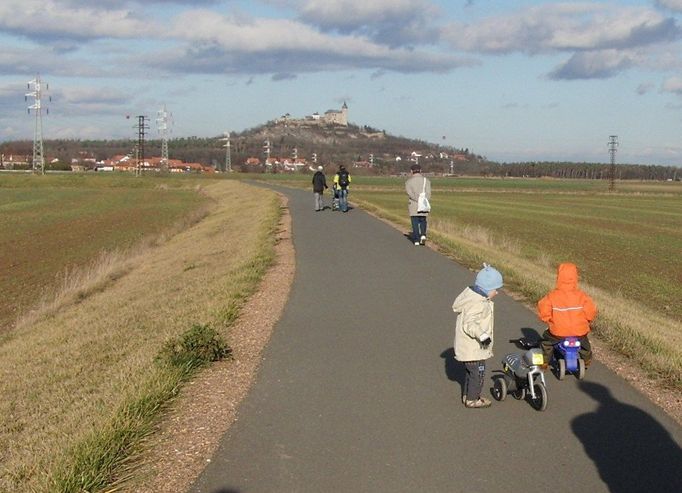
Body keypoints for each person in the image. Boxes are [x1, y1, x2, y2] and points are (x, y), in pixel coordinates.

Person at [452, 263, 503, 408]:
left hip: (469, 348)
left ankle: (468, 395)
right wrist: (482, 336)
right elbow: (469, 323)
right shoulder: (478, 303)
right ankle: (473, 399)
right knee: (478, 374)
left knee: (471, 372)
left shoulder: (472, 297)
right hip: (474, 348)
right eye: (495, 289)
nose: (497, 293)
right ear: (486, 289)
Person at [537, 262, 597, 368]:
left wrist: (547, 319)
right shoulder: (582, 296)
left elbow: (543, 309)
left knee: (546, 342)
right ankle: (586, 359)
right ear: (575, 278)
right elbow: (591, 310)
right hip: (579, 331)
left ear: (559, 278)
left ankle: (544, 362)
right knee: (585, 344)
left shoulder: (552, 296)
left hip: (558, 331)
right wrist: (588, 320)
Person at [405, 164, 431, 246]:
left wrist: (416, 199)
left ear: (411, 171)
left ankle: (416, 239)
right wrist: (423, 199)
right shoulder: (426, 181)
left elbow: (409, 193)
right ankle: (423, 235)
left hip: (413, 204)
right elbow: (429, 193)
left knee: (415, 222)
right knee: (423, 220)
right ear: (420, 170)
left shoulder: (408, 182)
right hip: (423, 204)